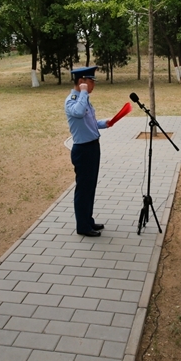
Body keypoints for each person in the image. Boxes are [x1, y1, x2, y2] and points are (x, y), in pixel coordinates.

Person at [65, 66, 110, 237]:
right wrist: (83, 92)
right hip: (82, 150)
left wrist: (105, 123)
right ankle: (82, 226)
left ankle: (88, 220)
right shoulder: (72, 100)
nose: (93, 85)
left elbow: (89, 122)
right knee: (83, 189)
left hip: (92, 147)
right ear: (82, 82)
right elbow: (77, 113)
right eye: (91, 81)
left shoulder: (84, 100)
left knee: (90, 187)